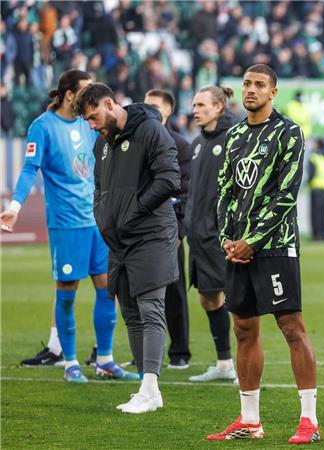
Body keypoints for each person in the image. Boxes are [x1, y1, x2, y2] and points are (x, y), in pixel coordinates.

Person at [208, 64, 320, 444]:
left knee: (291, 327)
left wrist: (252, 240)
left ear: (273, 91)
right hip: (237, 249)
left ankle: (309, 420)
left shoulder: (289, 133)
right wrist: (227, 238)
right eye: (246, 84)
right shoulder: (235, 134)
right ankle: (249, 420)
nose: (251, 90)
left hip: (274, 247)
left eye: (259, 85)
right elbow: (224, 192)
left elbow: (286, 194)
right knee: (243, 329)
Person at [1, 70, 136, 383]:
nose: (93, 95)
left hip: (97, 221)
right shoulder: (42, 127)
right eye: (87, 90)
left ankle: (105, 361)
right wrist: (15, 207)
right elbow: (29, 170)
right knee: (67, 289)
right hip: (66, 223)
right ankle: (71, 362)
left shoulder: (89, 123)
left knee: (107, 288)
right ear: (70, 94)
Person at [75, 82, 181, 413]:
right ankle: (147, 388)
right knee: (130, 311)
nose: (91, 126)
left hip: (151, 233)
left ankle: (150, 389)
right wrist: (103, 217)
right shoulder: (101, 144)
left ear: (110, 103)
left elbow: (170, 179)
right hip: (119, 240)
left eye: (93, 118)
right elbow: (98, 188)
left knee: (151, 308)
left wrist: (133, 212)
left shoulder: (150, 129)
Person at [185, 85, 238, 383]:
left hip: (221, 236)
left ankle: (245, 368)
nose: (195, 110)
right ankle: (223, 365)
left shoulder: (233, 139)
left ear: (218, 107)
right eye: (194, 105)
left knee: (238, 303)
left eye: (201, 105)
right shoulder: (197, 143)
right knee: (208, 298)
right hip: (198, 236)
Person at [143, 88, 193, 369]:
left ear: (168, 110)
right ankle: (145, 353)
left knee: (174, 290)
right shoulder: (136, 141)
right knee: (138, 290)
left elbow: (186, 193)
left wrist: (179, 231)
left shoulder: (180, 145)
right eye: (146, 104)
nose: (150, 109)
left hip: (169, 230)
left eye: (155, 105)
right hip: (141, 228)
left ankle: (180, 351)